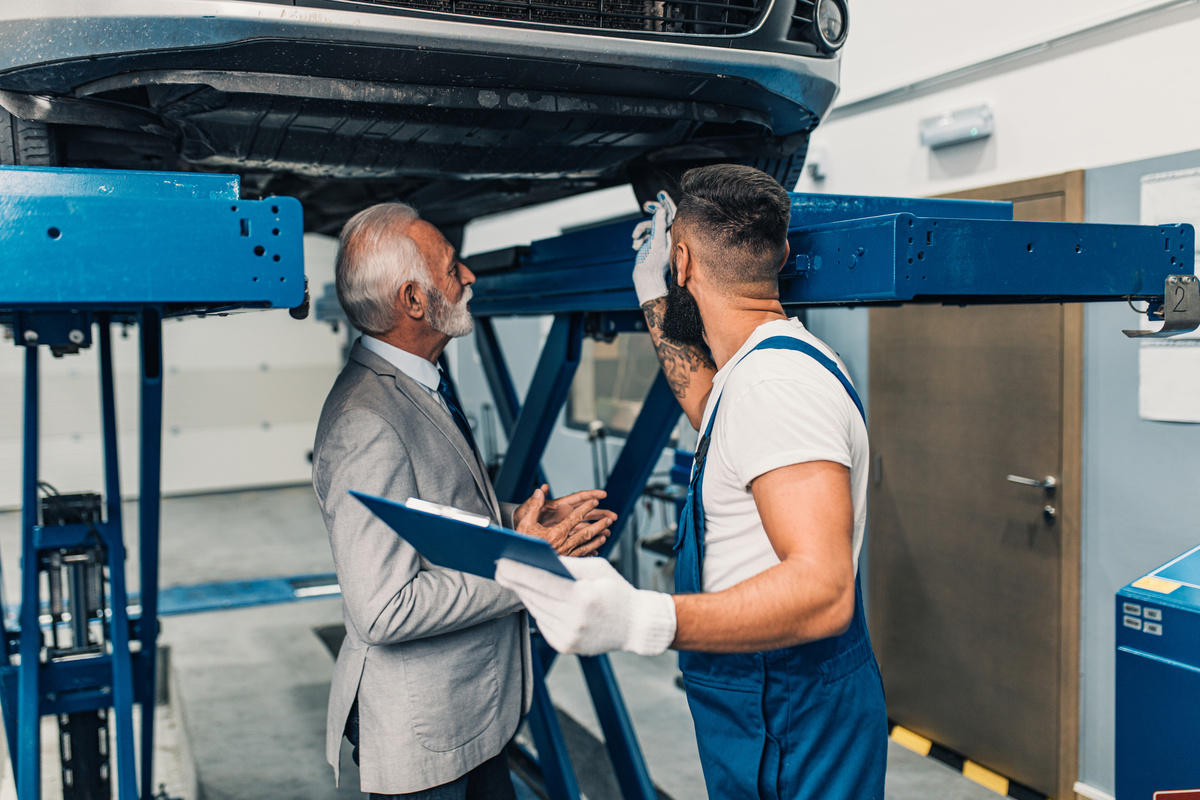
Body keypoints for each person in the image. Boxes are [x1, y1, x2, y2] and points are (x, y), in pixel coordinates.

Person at [495, 165, 888, 799]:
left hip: (787, 712)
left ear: (681, 260)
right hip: (771, 705)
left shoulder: (777, 386)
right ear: (783, 252)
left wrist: (639, 618)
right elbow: (711, 407)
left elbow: (824, 591)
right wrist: (652, 295)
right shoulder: (760, 369)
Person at [312, 202, 615, 799]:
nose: (470, 276)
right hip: (426, 740)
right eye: (453, 268)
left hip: (470, 716)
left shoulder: (418, 381)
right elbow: (384, 610)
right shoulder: (366, 422)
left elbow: (428, 510)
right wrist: (527, 563)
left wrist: (517, 521)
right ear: (413, 300)